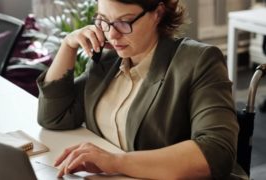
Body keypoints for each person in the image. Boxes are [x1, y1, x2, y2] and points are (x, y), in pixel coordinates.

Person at [37, 0, 247, 179]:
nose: (112, 35)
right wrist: (68, 45)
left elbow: (216, 152)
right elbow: (54, 116)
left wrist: (115, 162)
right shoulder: (109, 58)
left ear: (158, 13)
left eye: (124, 22)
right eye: (103, 21)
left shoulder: (198, 61)